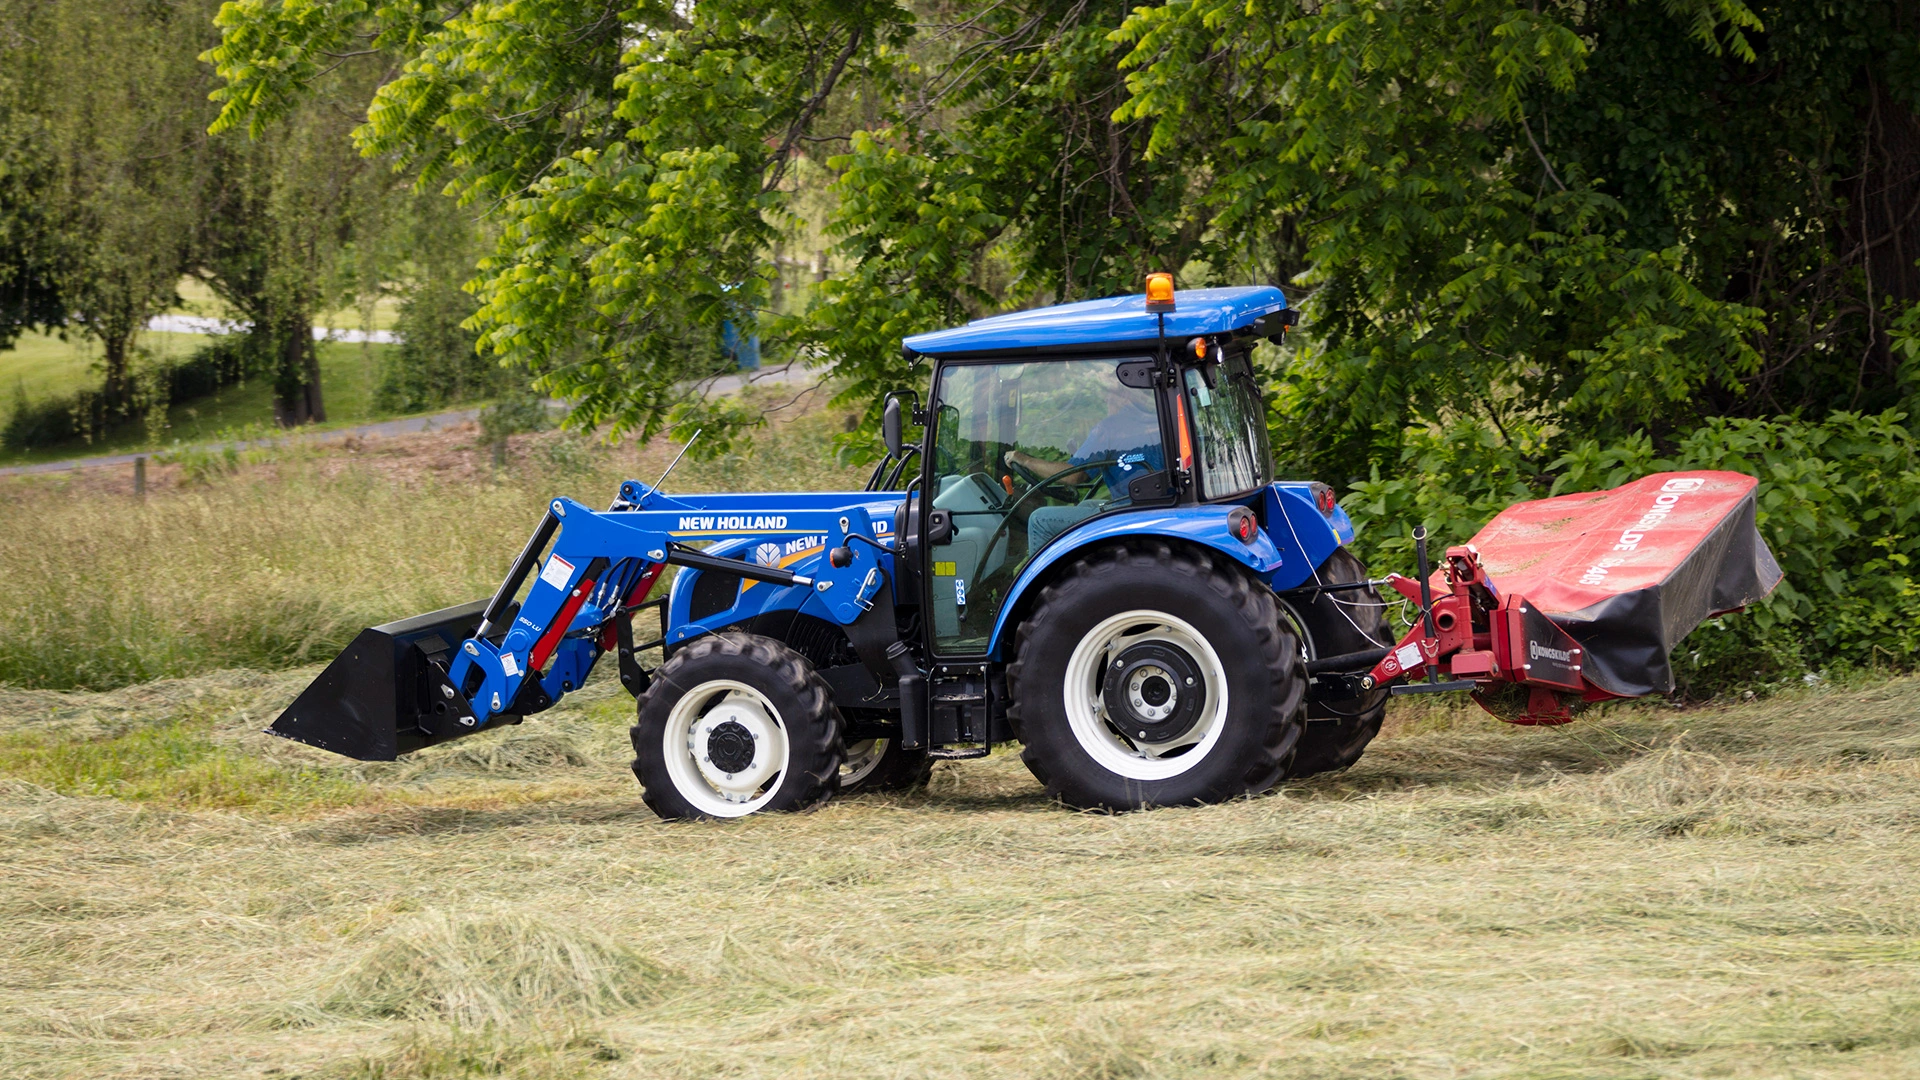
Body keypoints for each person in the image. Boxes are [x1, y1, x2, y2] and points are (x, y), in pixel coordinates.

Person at [1003, 380, 1165, 549]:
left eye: (1110, 395)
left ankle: (1047, 575)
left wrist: (1025, 460)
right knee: (1086, 505)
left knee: (1040, 520)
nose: (1106, 400)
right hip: (1154, 505)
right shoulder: (1155, 422)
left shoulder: (1109, 428)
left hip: (1130, 511)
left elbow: (1074, 475)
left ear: (1125, 396)